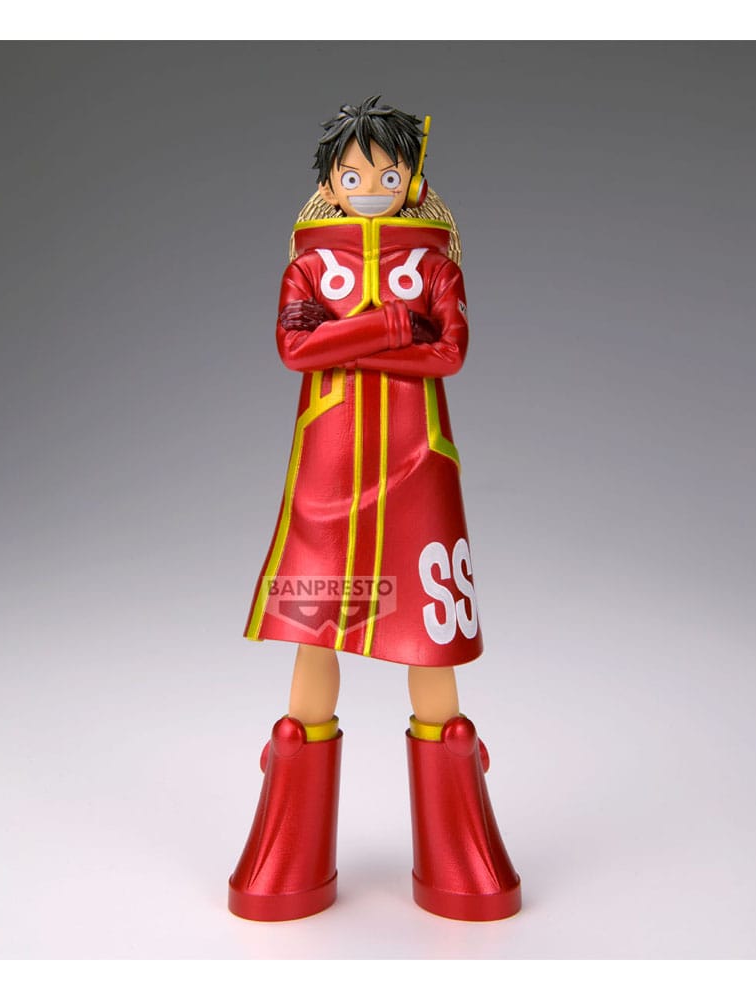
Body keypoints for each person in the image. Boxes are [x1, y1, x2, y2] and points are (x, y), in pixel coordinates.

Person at [229, 96, 521, 922]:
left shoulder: (435, 261)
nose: (368, 188)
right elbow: (295, 347)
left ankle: (458, 838)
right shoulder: (306, 263)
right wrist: (392, 327)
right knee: (316, 627)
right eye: (352, 175)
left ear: (411, 180)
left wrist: (354, 338)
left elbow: (450, 352)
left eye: (387, 176)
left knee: (430, 635)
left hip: (418, 460)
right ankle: (289, 844)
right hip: (328, 471)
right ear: (328, 181)